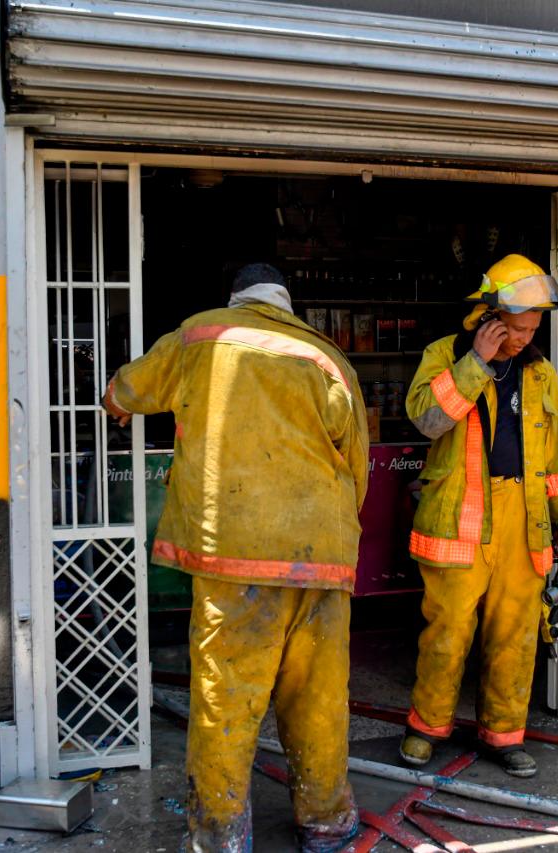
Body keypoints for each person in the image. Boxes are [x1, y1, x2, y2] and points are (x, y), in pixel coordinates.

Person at [101, 263, 368, 853]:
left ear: (236, 298)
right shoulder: (328, 357)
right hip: (321, 558)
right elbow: (358, 464)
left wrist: (118, 407)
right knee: (319, 699)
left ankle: (220, 836)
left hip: (236, 555)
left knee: (226, 697)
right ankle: (325, 824)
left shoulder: (201, 335)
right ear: (285, 304)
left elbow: (122, 392)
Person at [398, 253, 558, 779]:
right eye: (517, 327)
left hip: (524, 521)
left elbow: (556, 453)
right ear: (488, 317)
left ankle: (503, 735)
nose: (525, 337)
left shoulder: (539, 372)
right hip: (460, 522)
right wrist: (475, 363)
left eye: (533, 327)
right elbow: (427, 421)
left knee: (515, 635)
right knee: (447, 632)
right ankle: (426, 728)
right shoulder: (445, 354)